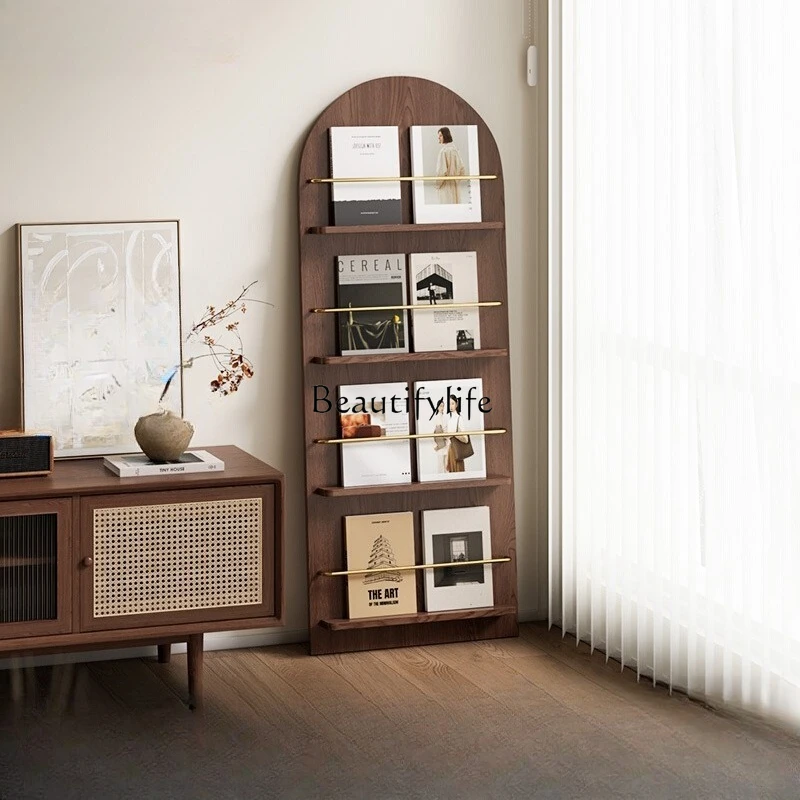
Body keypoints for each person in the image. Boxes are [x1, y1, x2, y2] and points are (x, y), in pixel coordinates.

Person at [435, 127, 466, 204]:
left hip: (446, 188)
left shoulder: (443, 152)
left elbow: (441, 172)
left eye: (440, 135)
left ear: (445, 136)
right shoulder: (455, 150)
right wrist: (456, 181)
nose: (438, 138)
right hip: (455, 188)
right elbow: (462, 170)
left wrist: (437, 185)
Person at [445, 394, 470, 473]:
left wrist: (454, 434)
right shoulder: (449, 420)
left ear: (456, 404)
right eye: (449, 404)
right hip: (450, 450)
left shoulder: (459, 418)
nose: (451, 406)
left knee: (458, 473)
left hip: (457, 451)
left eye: (452, 403)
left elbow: (466, 439)